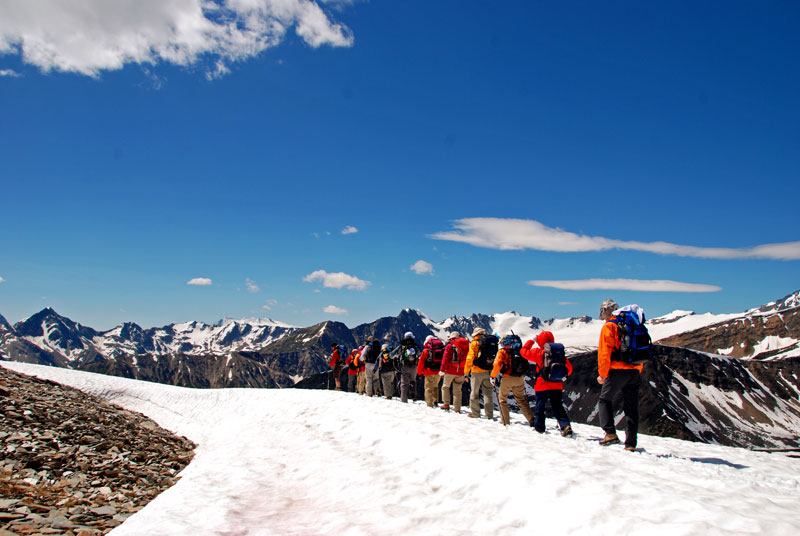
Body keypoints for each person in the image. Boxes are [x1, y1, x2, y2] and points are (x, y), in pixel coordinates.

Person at [597, 303, 644, 451]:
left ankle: (610, 433)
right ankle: (630, 443)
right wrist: (637, 369)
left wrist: (603, 375)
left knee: (604, 400)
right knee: (631, 408)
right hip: (635, 370)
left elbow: (604, 354)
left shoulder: (609, 326)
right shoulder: (633, 324)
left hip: (617, 369)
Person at [521, 331, 574, 436]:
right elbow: (570, 369)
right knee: (558, 406)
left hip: (542, 384)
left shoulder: (538, 352)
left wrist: (532, 340)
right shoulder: (559, 354)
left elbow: (523, 351)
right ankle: (565, 426)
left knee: (540, 406)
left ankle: (539, 428)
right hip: (557, 384)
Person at [491, 334, 536, 427]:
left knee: (502, 399)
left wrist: (493, 376)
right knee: (521, 399)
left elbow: (497, 364)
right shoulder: (519, 350)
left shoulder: (503, 351)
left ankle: (505, 421)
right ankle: (531, 419)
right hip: (519, 378)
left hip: (507, 378)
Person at [464, 328, 495, 420]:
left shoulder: (475, 343)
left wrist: (466, 372)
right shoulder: (490, 342)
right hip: (488, 370)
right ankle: (489, 415)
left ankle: (475, 413)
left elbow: (470, 358)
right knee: (488, 393)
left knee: (474, 392)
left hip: (476, 371)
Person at [440, 332, 469, 413]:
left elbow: (445, 359)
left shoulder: (450, 346)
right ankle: (457, 409)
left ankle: (446, 404)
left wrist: (442, 370)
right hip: (461, 371)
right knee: (458, 391)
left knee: (445, 387)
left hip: (450, 370)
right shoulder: (466, 346)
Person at [393, 332, 420, 403]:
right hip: (414, 366)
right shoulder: (415, 345)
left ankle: (404, 400)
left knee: (404, 384)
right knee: (413, 381)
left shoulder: (402, 345)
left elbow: (393, 353)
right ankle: (413, 395)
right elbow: (419, 353)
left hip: (404, 366)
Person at [418, 335, 444, 407]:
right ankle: (435, 401)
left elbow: (421, 362)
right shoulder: (441, 349)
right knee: (435, 386)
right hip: (438, 371)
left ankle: (429, 404)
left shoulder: (426, 350)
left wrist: (419, 372)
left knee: (428, 388)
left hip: (428, 371)